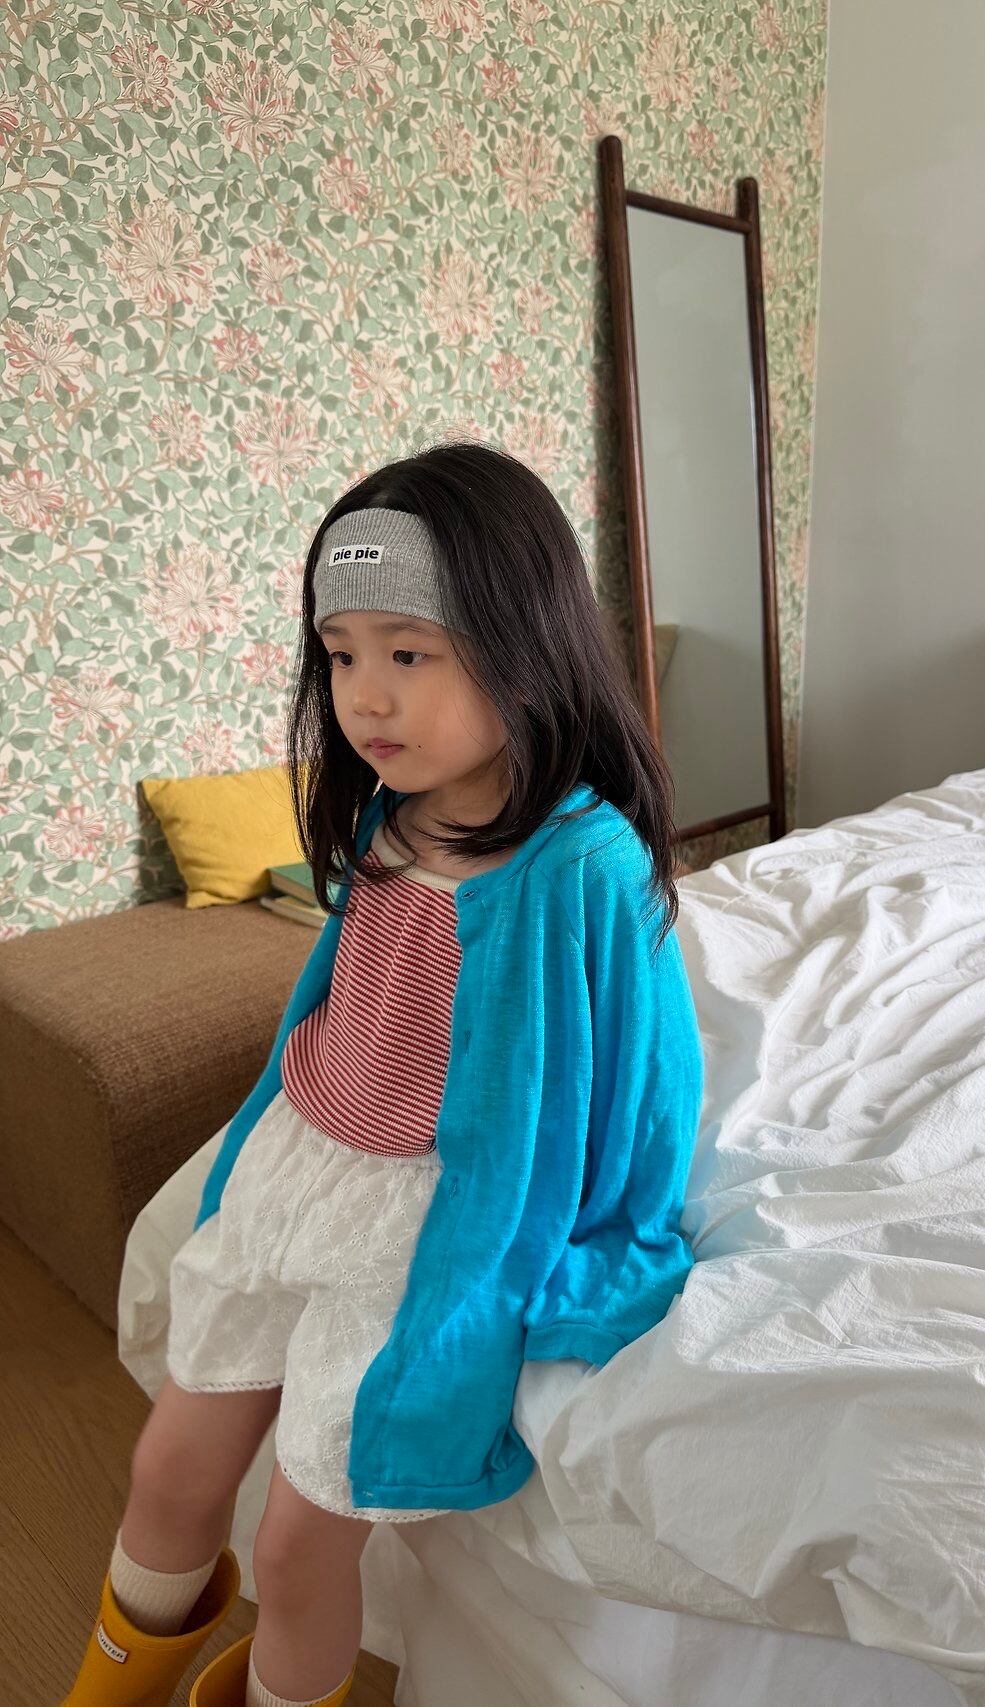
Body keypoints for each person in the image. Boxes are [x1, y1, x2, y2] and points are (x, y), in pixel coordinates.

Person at [61, 440, 705, 1707]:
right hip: (299, 1164)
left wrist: (600, 1255)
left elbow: (643, 1083)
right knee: (168, 1473)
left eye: (409, 654)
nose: (366, 697)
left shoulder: (581, 863)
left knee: (297, 1551)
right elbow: (345, 996)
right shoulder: (385, 811)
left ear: (523, 641)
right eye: (341, 654)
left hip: (419, 1225)